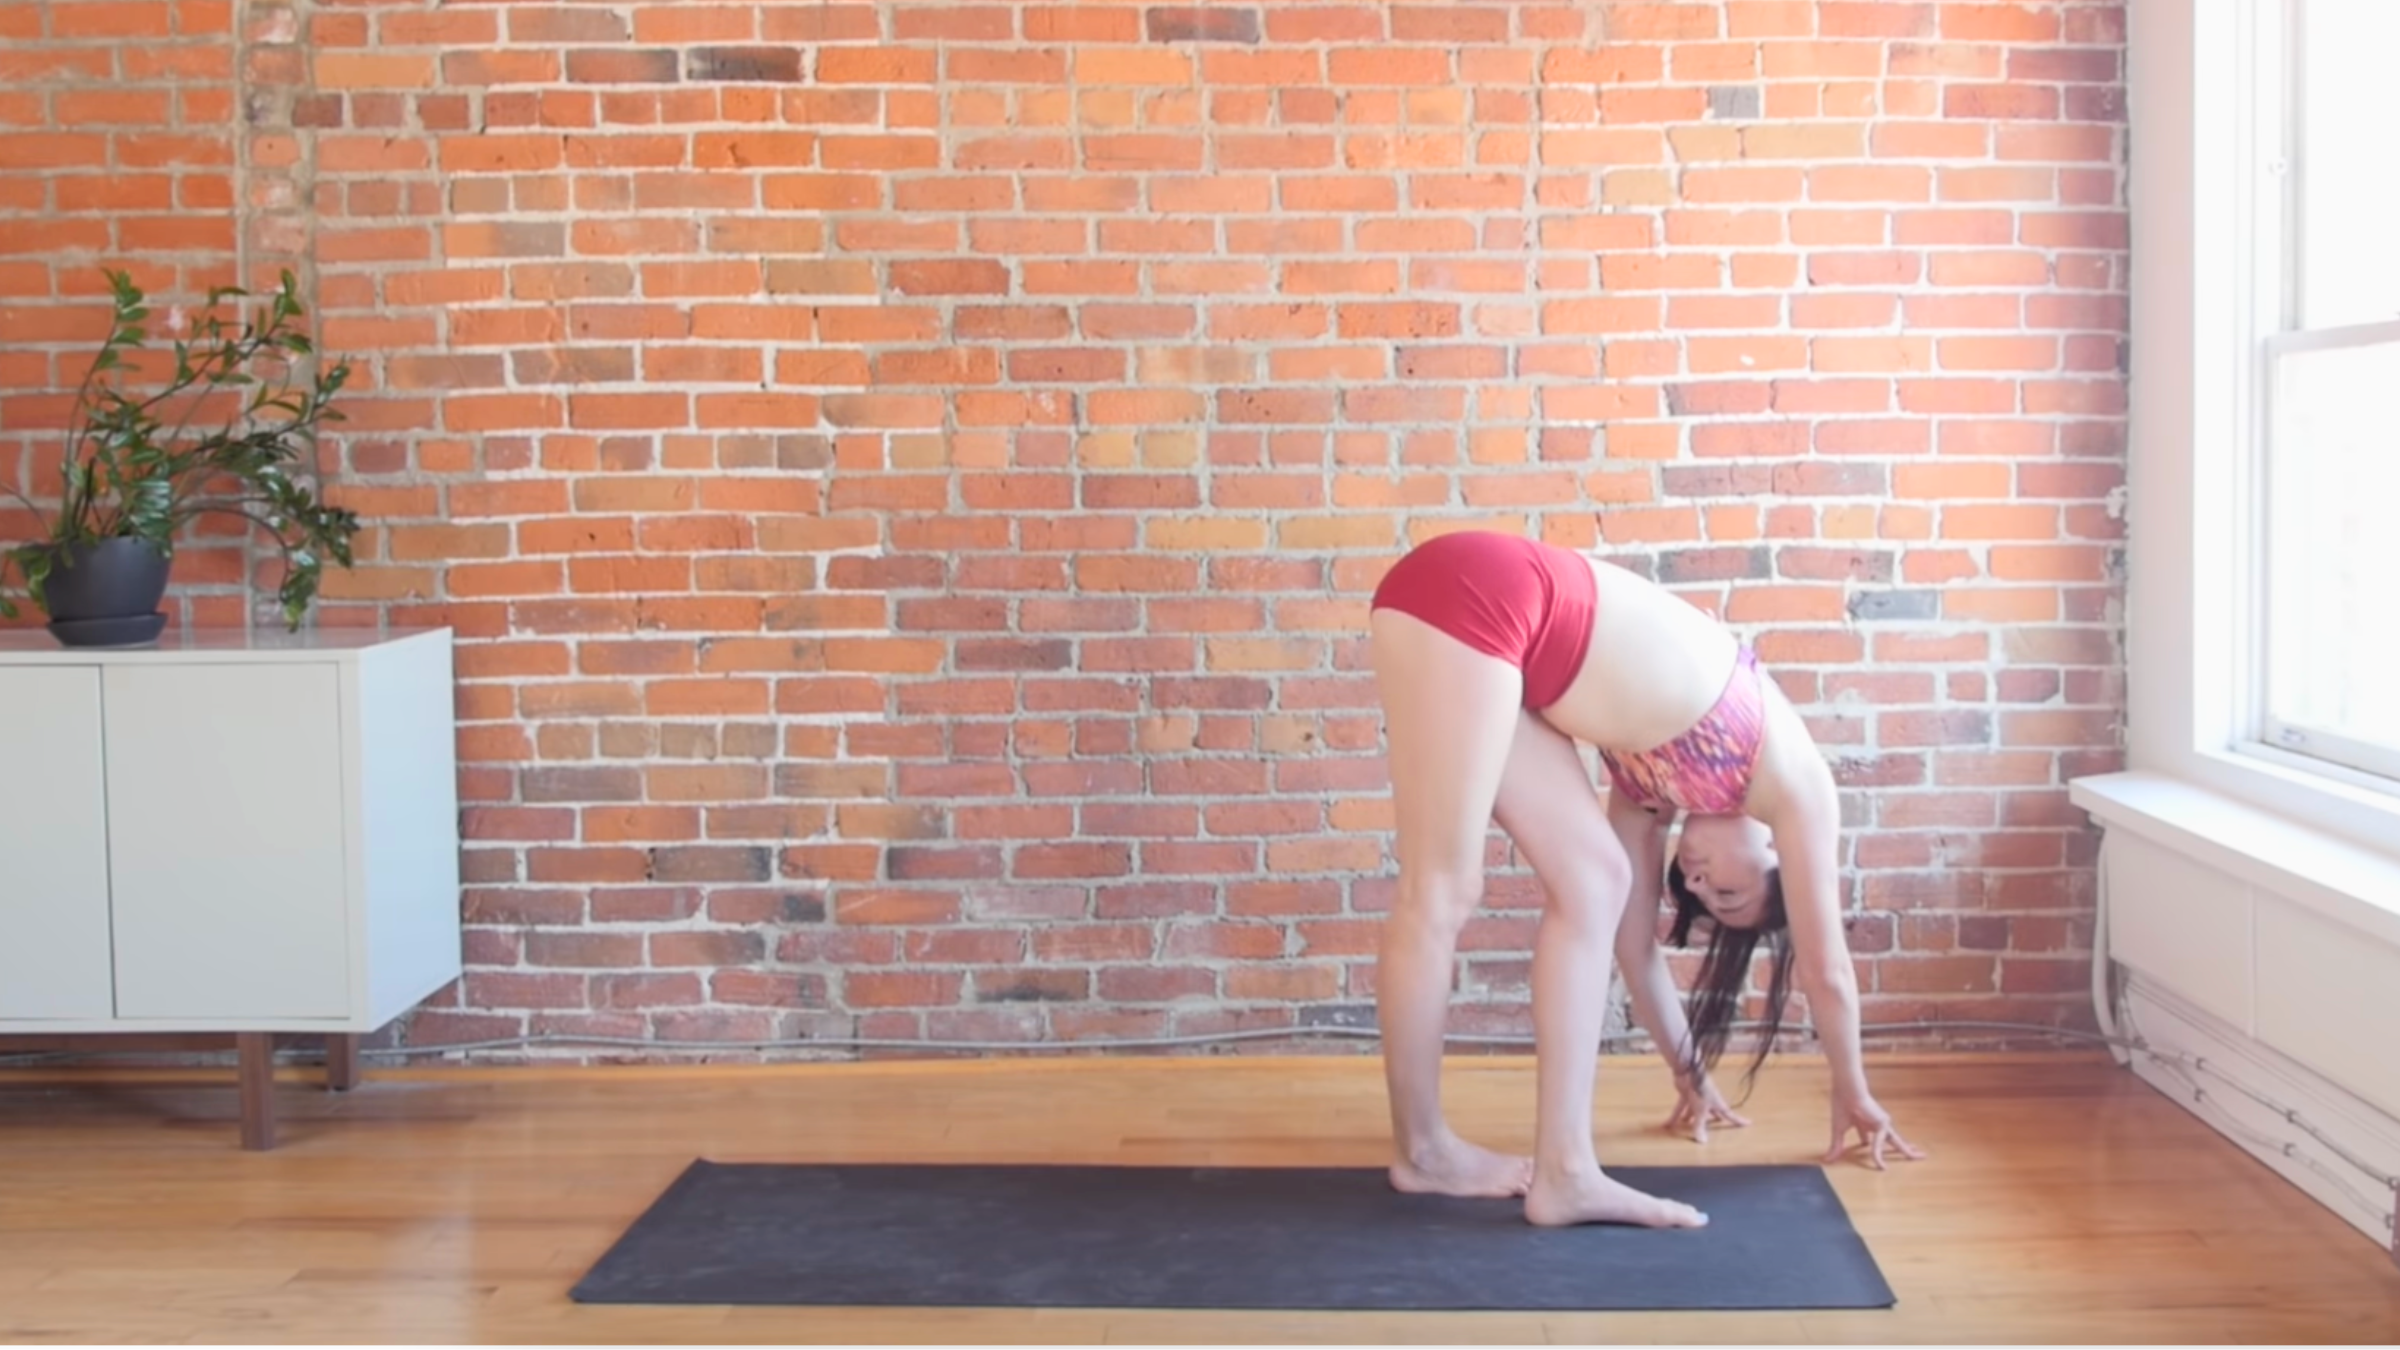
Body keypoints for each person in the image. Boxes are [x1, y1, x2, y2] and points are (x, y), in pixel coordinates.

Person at [1365, 528, 1922, 1229]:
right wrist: (1853, 1089)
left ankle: (1566, 1173)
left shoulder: (1652, 785)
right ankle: (1425, 1151)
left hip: (1499, 631)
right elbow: (1827, 968)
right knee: (1442, 889)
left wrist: (1690, 1073)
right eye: (1729, 892)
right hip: (1486, 593)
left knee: (1597, 882)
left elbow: (1632, 947)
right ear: (1773, 851)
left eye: (1705, 898)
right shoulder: (1798, 783)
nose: (1699, 884)